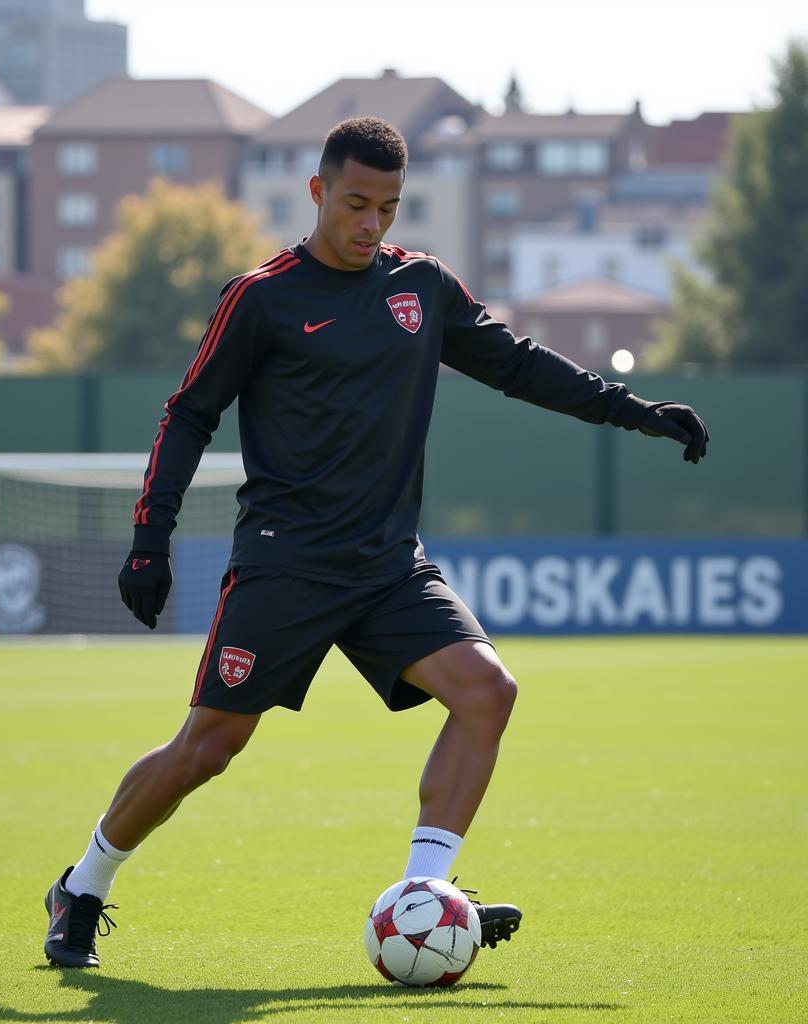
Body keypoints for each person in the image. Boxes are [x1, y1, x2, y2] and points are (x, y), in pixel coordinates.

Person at [42, 116, 709, 968]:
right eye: (356, 203)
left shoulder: (421, 286)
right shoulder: (262, 295)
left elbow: (516, 361)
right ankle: (84, 886)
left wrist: (633, 409)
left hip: (388, 563)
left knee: (487, 693)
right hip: (286, 561)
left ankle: (424, 897)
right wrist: (150, 539)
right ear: (318, 192)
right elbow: (190, 413)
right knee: (208, 747)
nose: (371, 224)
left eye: (388, 208)